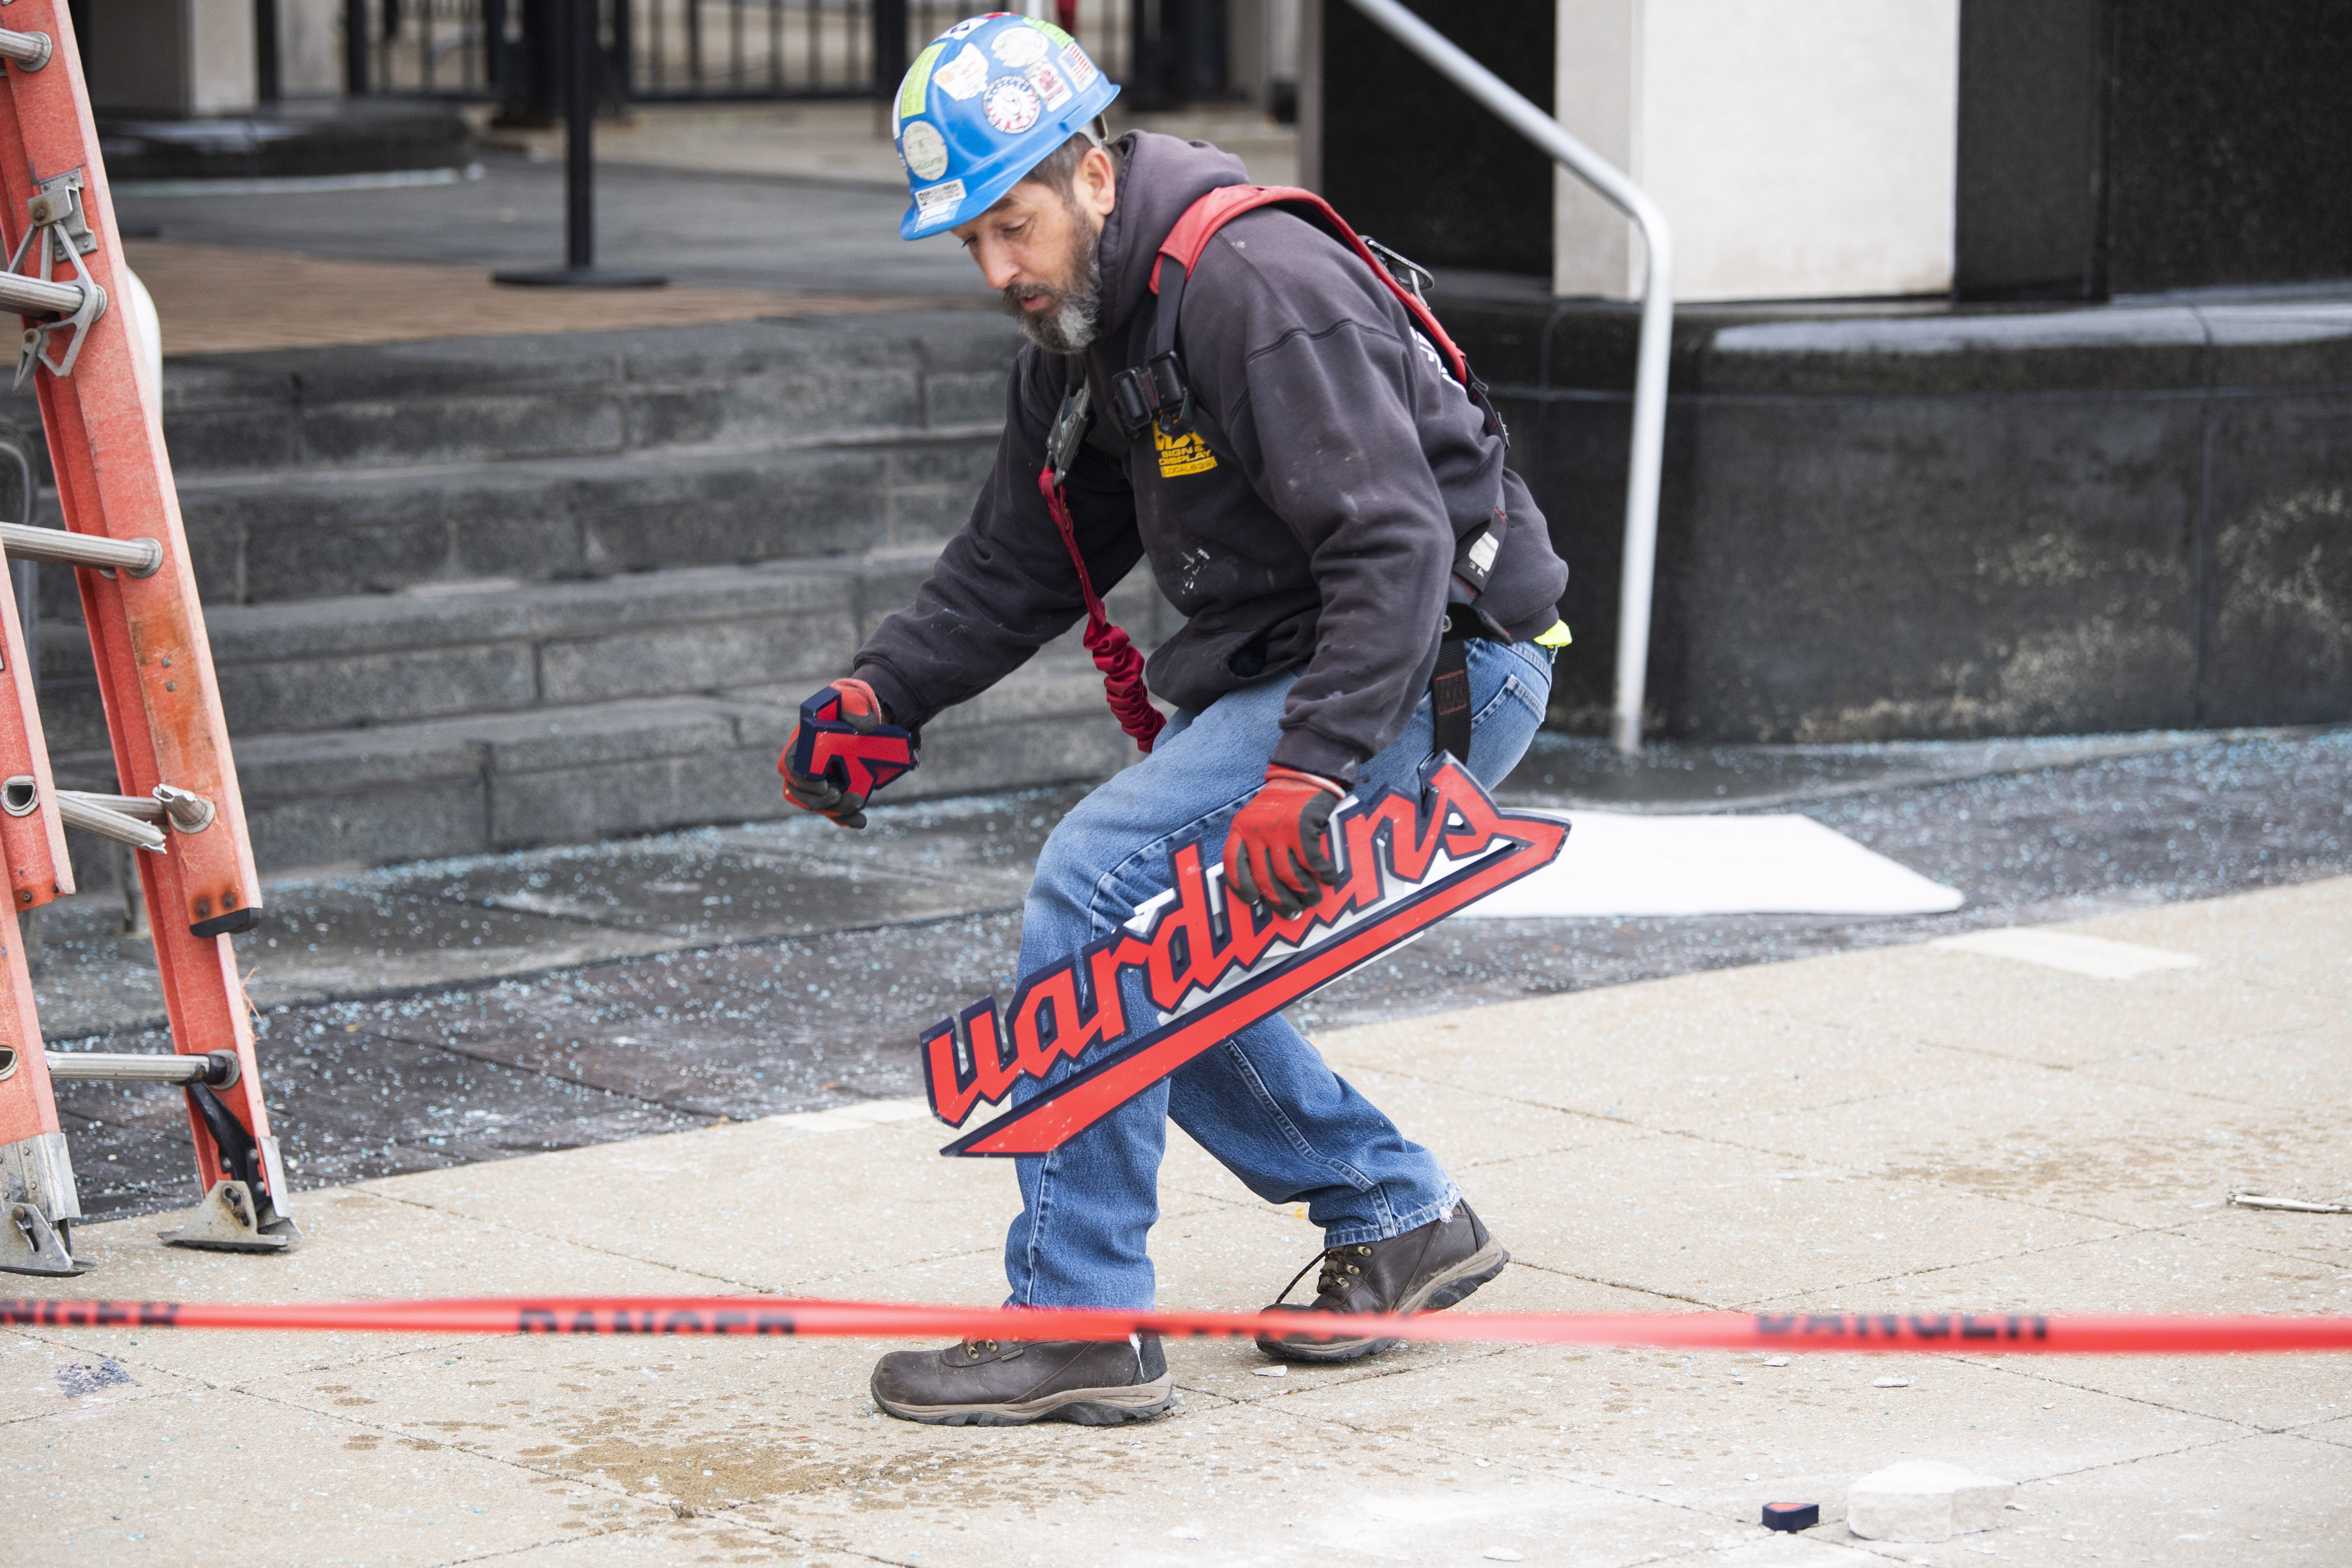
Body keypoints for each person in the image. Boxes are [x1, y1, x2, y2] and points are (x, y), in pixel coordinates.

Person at [778, 13, 1572, 1428]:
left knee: (1099, 888)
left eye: (1009, 225)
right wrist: (881, 697)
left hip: (1427, 663)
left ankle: (1082, 1315)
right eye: (968, 242)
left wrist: (1310, 773)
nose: (997, 271)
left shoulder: (1251, 282)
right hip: (1316, 668)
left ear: (1091, 172)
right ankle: (1399, 1214)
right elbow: (1018, 560)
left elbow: (1393, 546)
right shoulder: (1089, 330)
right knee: (1149, 964)